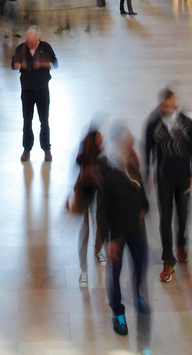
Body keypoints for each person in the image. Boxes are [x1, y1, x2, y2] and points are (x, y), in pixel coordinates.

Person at [97, 128, 151, 341]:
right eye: (128, 143)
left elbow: (140, 190)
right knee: (115, 274)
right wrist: (108, 240)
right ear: (118, 143)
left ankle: (138, 295)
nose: (132, 146)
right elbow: (101, 208)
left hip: (136, 229)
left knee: (140, 266)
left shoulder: (132, 161)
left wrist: (144, 207)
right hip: (117, 234)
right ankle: (118, 312)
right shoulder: (107, 168)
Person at [142, 88, 192, 283]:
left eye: (172, 105)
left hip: (183, 177)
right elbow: (148, 149)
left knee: (183, 214)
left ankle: (181, 244)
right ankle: (168, 260)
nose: (169, 109)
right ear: (161, 105)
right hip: (164, 177)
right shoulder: (153, 124)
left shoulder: (185, 122)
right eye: (165, 106)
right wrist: (148, 173)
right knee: (165, 218)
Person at [12, 25, 58, 161]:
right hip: (27, 91)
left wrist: (42, 64)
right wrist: (19, 65)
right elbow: (13, 64)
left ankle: (46, 149)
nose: (29, 42)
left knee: (44, 121)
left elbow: (55, 62)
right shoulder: (21, 48)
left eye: (31, 40)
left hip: (42, 90)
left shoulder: (45, 47)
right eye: (27, 39)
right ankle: (26, 149)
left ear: (38, 38)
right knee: (27, 121)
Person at [68, 128, 107, 288]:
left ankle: (98, 250)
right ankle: (83, 270)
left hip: (99, 195)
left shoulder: (102, 156)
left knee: (100, 226)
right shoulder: (84, 156)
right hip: (85, 196)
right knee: (85, 232)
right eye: (99, 136)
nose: (102, 139)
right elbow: (76, 166)